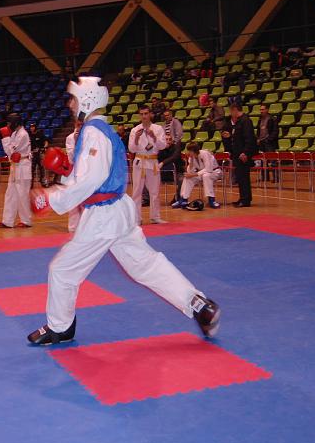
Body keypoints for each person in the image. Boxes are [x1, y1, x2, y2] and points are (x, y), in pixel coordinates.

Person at [27, 76, 220, 345]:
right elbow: (93, 174)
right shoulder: (100, 130)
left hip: (104, 216)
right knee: (146, 264)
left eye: (73, 99)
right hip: (116, 209)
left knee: (63, 269)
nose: (70, 104)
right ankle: (199, 305)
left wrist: (52, 198)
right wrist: (68, 172)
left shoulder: (94, 132)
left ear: (86, 100)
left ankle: (60, 327)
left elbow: (91, 180)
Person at [129, 105, 167, 225]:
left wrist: (154, 137)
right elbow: (131, 149)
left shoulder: (158, 129)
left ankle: (155, 217)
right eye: (142, 114)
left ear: (150, 114)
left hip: (152, 162)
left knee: (155, 191)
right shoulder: (135, 130)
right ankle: (136, 218)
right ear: (139, 116)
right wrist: (136, 138)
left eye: (146, 113)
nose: (144, 116)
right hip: (139, 161)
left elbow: (163, 146)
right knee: (137, 191)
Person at [0, 113, 32, 228]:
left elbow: (10, 151)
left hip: (23, 166)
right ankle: (7, 221)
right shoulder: (15, 133)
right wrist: (7, 139)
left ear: (15, 123)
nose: (8, 125)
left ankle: (26, 221)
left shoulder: (23, 134)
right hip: (15, 166)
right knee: (10, 193)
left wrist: (5, 138)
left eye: (9, 123)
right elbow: (11, 152)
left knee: (22, 194)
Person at [222, 104, 257, 207]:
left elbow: (249, 138)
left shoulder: (246, 121)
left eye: (231, 111)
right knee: (240, 177)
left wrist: (245, 152)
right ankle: (242, 198)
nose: (230, 113)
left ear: (235, 109)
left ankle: (245, 200)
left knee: (244, 177)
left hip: (243, 154)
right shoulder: (239, 121)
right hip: (237, 153)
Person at [172, 142, 222, 209]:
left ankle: (212, 200)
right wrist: (191, 161)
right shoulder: (191, 157)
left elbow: (208, 169)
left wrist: (193, 174)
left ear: (194, 151)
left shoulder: (205, 153)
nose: (188, 152)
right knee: (188, 178)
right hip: (202, 173)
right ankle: (183, 199)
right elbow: (190, 171)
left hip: (214, 172)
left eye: (189, 151)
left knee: (206, 176)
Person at [65, 120, 83, 233]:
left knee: (87, 201)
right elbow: (71, 159)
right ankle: (73, 227)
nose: (80, 127)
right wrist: (76, 142)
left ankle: (87, 226)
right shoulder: (70, 138)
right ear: (75, 125)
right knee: (74, 201)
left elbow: (93, 153)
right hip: (74, 173)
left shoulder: (89, 136)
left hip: (87, 172)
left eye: (82, 125)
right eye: (78, 125)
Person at [256, 104, 279, 182]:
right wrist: (258, 139)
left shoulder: (273, 119)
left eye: (262, 109)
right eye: (260, 110)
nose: (261, 111)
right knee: (263, 161)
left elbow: (275, 132)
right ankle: (265, 177)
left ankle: (276, 177)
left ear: (267, 110)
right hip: (261, 142)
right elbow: (258, 131)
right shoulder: (260, 119)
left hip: (269, 143)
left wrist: (268, 140)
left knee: (273, 161)